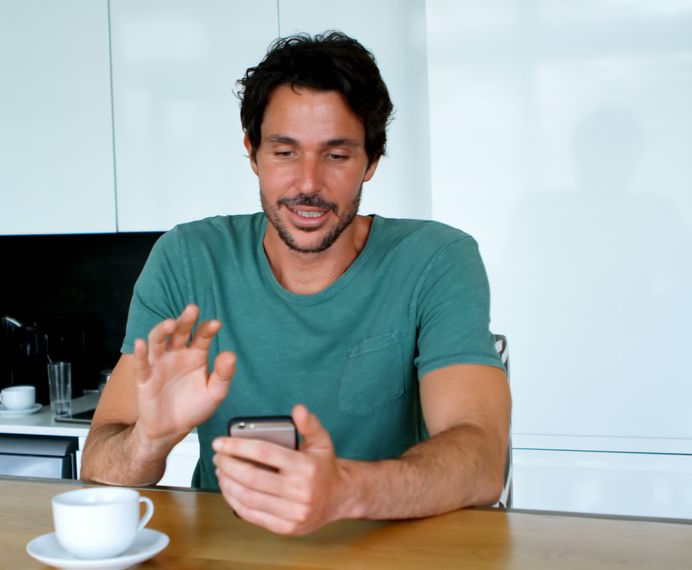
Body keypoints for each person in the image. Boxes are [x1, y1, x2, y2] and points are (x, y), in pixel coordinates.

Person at [80, 31, 511, 536]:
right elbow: (98, 465)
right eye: (285, 152)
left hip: (390, 550)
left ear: (371, 160)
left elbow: (481, 459)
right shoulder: (188, 258)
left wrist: (346, 490)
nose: (308, 184)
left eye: (336, 155)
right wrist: (149, 439)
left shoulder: (435, 258)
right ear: (253, 153)